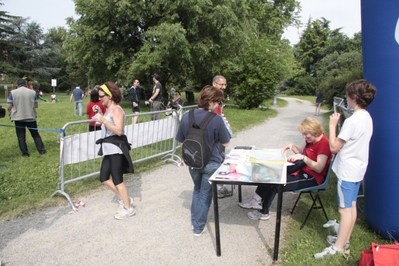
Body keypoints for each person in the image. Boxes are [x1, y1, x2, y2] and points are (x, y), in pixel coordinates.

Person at [314, 79, 377, 259]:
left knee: (344, 210)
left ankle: (338, 247)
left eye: (348, 95)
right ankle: (345, 238)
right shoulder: (367, 117)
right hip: (358, 168)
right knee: (352, 205)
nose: (346, 98)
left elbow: (334, 147)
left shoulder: (352, 121)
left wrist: (332, 126)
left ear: (355, 98)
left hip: (347, 171)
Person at [239, 117, 332, 221]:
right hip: (302, 169)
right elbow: (301, 152)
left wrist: (303, 158)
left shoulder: (324, 144)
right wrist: (293, 147)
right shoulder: (310, 139)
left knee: (277, 183)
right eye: (303, 134)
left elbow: (319, 168)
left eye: (306, 134)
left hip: (312, 177)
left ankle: (264, 212)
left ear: (315, 131)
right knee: (271, 173)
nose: (304, 137)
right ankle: (257, 199)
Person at [175, 85, 231, 236]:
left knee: (197, 189)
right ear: (211, 102)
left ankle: (195, 221)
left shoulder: (187, 115)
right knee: (205, 194)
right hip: (211, 162)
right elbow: (226, 143)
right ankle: (198, 227)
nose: (218, 105)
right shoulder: (217, 120)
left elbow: (181, 141)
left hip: (192, 162)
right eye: (218, 102)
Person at [92, 82, 135, 220]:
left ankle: (128, 208)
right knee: (104, 177)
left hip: (116, 149)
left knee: (118, 180)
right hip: (109, 149)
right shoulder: (108, 110)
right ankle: (125, 199)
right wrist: (100, 114)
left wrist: (103, 120)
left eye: (102, 96)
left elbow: (118, 130)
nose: (100, 99)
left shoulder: (116, 110)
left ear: (109, 96)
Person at [7, 78, 46, 157]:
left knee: (21, 136)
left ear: (17, 85)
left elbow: (9, 106)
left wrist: (11, 111)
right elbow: (36, 105)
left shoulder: (13, 93)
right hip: (30, 117)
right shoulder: (32, 92)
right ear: (25, 84)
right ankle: (42, 151)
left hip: (18, 117)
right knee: (35, 135)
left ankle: (25, 153)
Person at [212, 75, 234, 198]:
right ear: (214, 84)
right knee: (218, 159)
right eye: (221, 84)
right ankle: (218, 187)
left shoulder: (218, 97)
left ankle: (218, 186)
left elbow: (217, 113)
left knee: (220, 158)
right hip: (214, 134)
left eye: (225, 84)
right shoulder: (211, 97)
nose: (224, 87)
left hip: (218, 131)